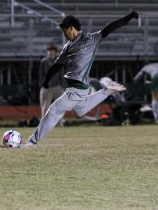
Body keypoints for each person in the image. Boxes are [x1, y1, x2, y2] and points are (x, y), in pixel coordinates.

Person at [21, 11, 139, 148]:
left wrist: (128, 17)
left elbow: (110, 27)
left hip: (78, 88)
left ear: (71, 28)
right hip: (74, 88)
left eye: (65, 31)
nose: (64, 34)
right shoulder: (67, 46)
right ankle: (107, 91)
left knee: (54, 110)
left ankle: (31, 142)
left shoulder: (91, 39)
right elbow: (56, 66)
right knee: (80, 111)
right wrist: (46, 80)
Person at [39, 44, 65, 122]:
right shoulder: (43, 62)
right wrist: (42, 85)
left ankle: (60, 124)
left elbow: (62, 74)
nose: (50, 52)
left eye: (52, 51)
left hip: (58, 87)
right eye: (49, 51)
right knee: (45, 108)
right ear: (47, 52)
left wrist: (63, 86)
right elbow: (40, 74)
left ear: (55, 52)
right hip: (47, 88)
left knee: (60, 107)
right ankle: (44, 125)